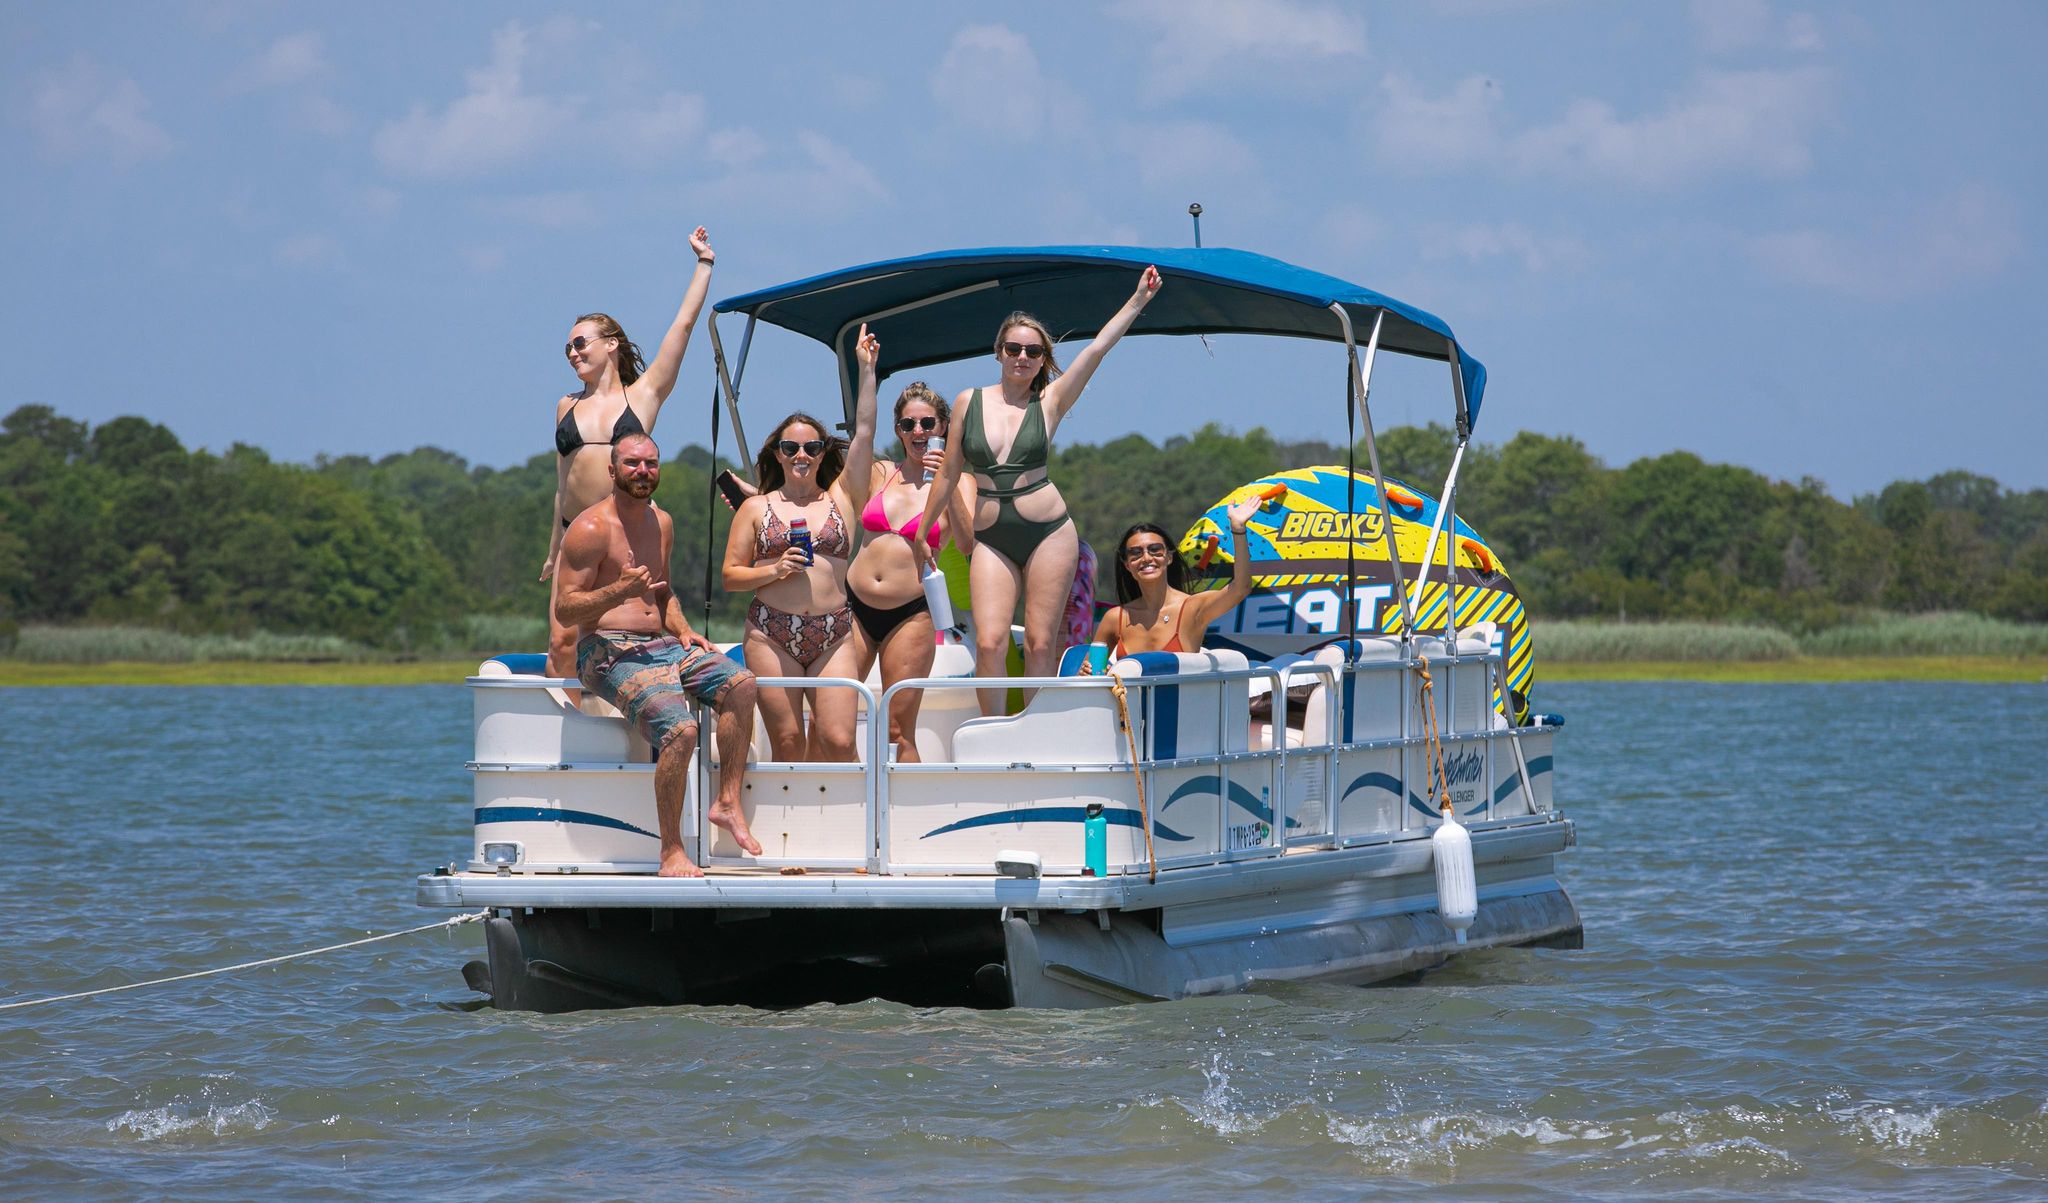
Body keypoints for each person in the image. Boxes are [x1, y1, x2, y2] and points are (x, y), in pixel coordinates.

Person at [918, 265, 1163, 714]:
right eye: (1014, 348)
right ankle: (991, 736)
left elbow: (1098, 348)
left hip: (1049, 530)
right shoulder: (968, 401)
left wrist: (1138, 300)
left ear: (1043, 359)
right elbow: (950, 472)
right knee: (990, 642)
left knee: (1039, 641)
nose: (1022, 356)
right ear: (999, 352)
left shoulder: (1050, 401)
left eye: (1033, 351)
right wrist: (924, 530)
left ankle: (1033, 731)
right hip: (992, 536)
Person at [554, 432, 761, 877]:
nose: (642, 472)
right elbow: (566, 608)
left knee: (741, 684)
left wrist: (686, 632)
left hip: (664, 645)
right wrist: (619, 591)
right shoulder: (589, 528)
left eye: (650, 463)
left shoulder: (661, 522)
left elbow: (663, 593)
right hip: (606, 649)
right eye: (631, 464)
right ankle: (671, 850)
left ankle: (726, 802)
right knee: (682, 730)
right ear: (612, 471)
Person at [542, 225, 717, 682]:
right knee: (561, 641)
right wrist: (553, 547)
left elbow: (682, 327)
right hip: (576, 533)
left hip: (628, 533)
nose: (572, 352)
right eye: (567, 348)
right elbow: (562, 483)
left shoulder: (643, 396)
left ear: (611, 344)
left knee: (632, 632)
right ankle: (569, 736)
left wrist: (704, 265)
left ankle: (636, 713)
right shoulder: (567, 405)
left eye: (580, 343)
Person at [840, 337, 979, 763]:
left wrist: (948, 479)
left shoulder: (964, 482)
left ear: (944, 428)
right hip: (853, 605)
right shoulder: (882, 471)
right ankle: (841, 812)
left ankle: (901, 821)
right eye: (908, 425)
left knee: (900, 731)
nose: (918, 432)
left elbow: (967, 541)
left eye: (927, 424)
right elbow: (862, 430)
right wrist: (868, 371)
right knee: (836, 719)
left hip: (911, 611)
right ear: (899, 431)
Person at [721, 389, 866, 761]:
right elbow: (730, 577)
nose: (801, 455)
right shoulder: (756, 507)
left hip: (832, 632)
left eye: (812, 447)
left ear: (823, 454)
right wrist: (775, 568)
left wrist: (866, 371)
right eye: (790, 447)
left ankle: (844, 816)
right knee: (787, 742)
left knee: (838, 739)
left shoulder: (842, 498)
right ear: (777, 454)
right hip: (771, 633)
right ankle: (787, 821)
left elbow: (864, 431)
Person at [1083, 499, 1259, 667]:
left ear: (1169, 557)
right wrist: (1086, 671)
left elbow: (1240, 589)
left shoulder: (1192, 608)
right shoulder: (1116, 618)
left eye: (1155, 550)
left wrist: (1238, 529)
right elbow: (1088, 676)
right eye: (1136, 553)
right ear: (1127, 565)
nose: (1146, 558)